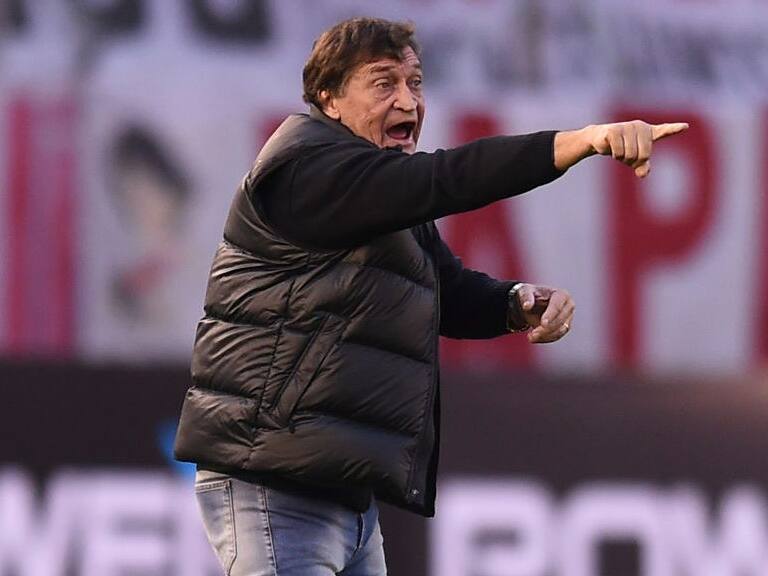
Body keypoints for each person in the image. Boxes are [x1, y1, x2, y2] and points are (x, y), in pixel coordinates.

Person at [174, 17, 687, 576]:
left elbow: (447, 289)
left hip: (343, 494)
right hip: (273, 484)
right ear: (328, 98)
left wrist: (518, 302)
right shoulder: (306, 169)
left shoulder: (380, 191)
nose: (407, 101)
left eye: (415, 84)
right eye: (383, 82)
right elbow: (445, 178)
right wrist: (579, 141)